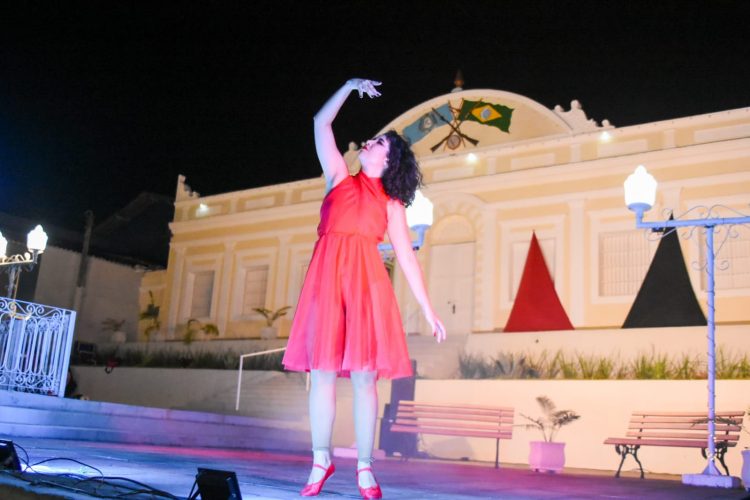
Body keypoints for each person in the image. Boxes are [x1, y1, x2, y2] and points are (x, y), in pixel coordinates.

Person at [282, 78, 446, 499]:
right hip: (325, 281)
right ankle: (320, 459)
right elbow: (320, 122)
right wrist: (349, 86)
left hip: (365, 286)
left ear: (388, 160)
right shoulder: (338, 176)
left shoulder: (390, 204)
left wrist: (428, 310)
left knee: (363, 377)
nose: (368, 142)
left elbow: (406, 257)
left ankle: (366, 467)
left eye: (378, 143)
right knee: (321, 373)